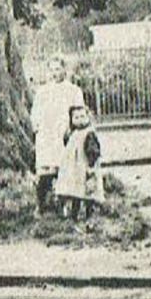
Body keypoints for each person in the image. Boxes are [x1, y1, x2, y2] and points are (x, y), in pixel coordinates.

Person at [29, 57, 85, 213]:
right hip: (47, 137)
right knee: (45, 173)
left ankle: (64, 205)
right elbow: (35, 113)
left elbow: (79, 111)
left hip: (64, 135)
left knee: (65, 171)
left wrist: (71, 129)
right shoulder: (42, 92)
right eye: (52, 69)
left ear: (64, 70)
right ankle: (41, 205)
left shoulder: (73, 91)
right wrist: (38, 128)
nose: (55, 73)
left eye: (58, 69)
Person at [55, 104, 105, 220]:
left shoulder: (89, 133)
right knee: (75, 191)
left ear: (88, 117)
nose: (80, 120)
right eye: (76, 118)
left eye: (82, 117)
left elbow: (93, 151)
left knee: (88, 191)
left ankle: (89, 214)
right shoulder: (73, 133)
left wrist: (91, 166)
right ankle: (74, 214)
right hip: (74, 169)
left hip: (85, 167)